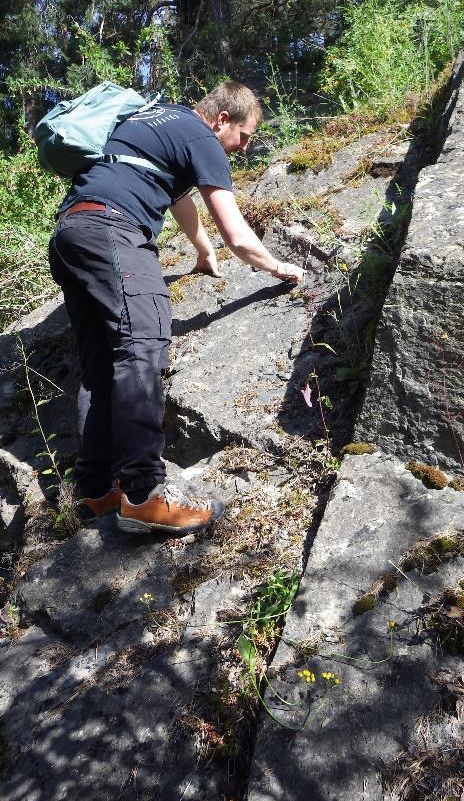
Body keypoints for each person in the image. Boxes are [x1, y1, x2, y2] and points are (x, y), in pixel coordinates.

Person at [48, 81, 304, 537]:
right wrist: (280, 267)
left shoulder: (158, 120)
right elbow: (239, 235)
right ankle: (145, 495)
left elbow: (179, 197)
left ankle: (97, 490)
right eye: (244, 137)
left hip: (72, 230)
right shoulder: (203, 138)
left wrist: (202, 252)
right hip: (113, 230)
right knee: (143, 345)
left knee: (100, 366)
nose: (242, 150)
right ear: (222, 119)